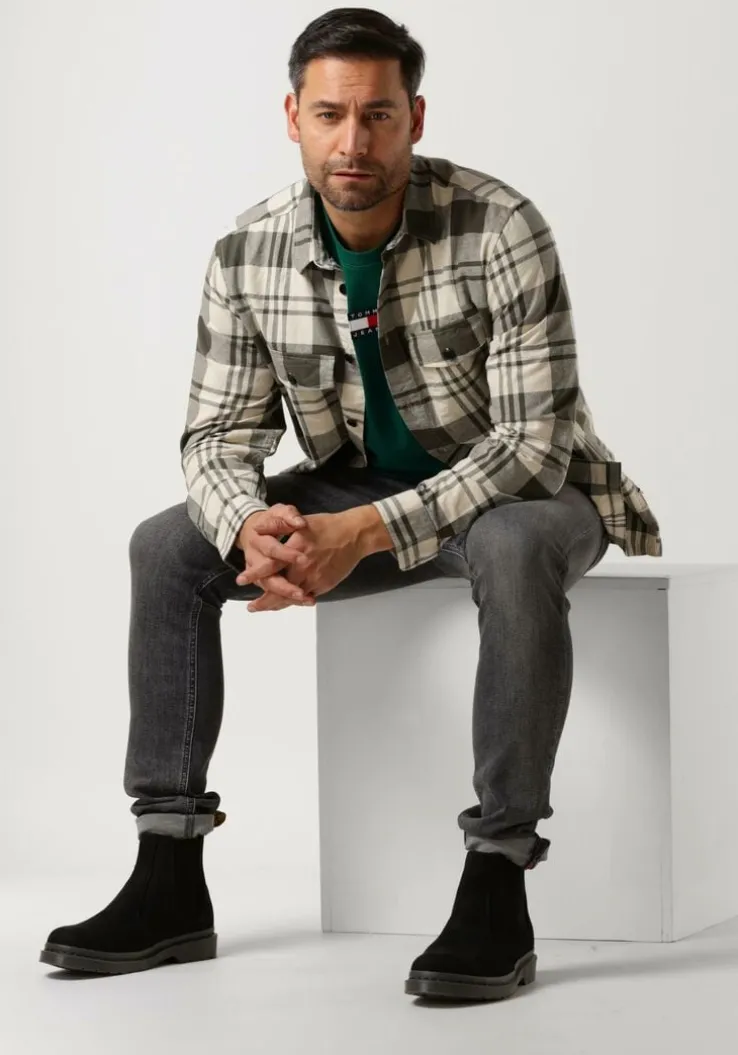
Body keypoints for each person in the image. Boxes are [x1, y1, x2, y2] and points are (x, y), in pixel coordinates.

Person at [39, 7, 662, 999]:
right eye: (330, 114)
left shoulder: (500, 225)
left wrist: (363, 531)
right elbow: (217, 438)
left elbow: (531, 443)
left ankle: (498, 878)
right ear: (294, 117)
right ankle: (168, 875)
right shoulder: (248, 251)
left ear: (416, 117)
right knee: (167, 546)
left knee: (510, 546)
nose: (354, 142)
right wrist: (250, 524)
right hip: (360, 482)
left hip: (530, 491)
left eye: (378, 115)